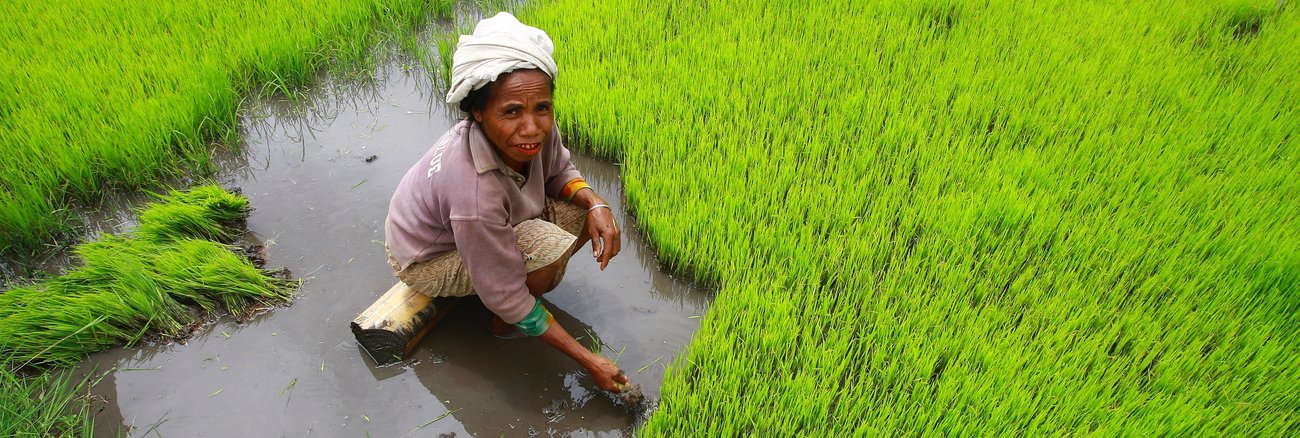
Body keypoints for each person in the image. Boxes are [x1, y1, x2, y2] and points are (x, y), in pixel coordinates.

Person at [384, 12, 629, 393]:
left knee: (583, 213)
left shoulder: (534, 128)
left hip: (481, 226)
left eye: (542, 108)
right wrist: (588, 359)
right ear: (477, 112)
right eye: (511, 111)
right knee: (543, 251)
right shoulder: (473, 190)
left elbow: (560, 170)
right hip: (427, 259)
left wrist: (598, 205)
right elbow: (505, 291)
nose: (531, 127)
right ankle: (502, 325)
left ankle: (521, 289)